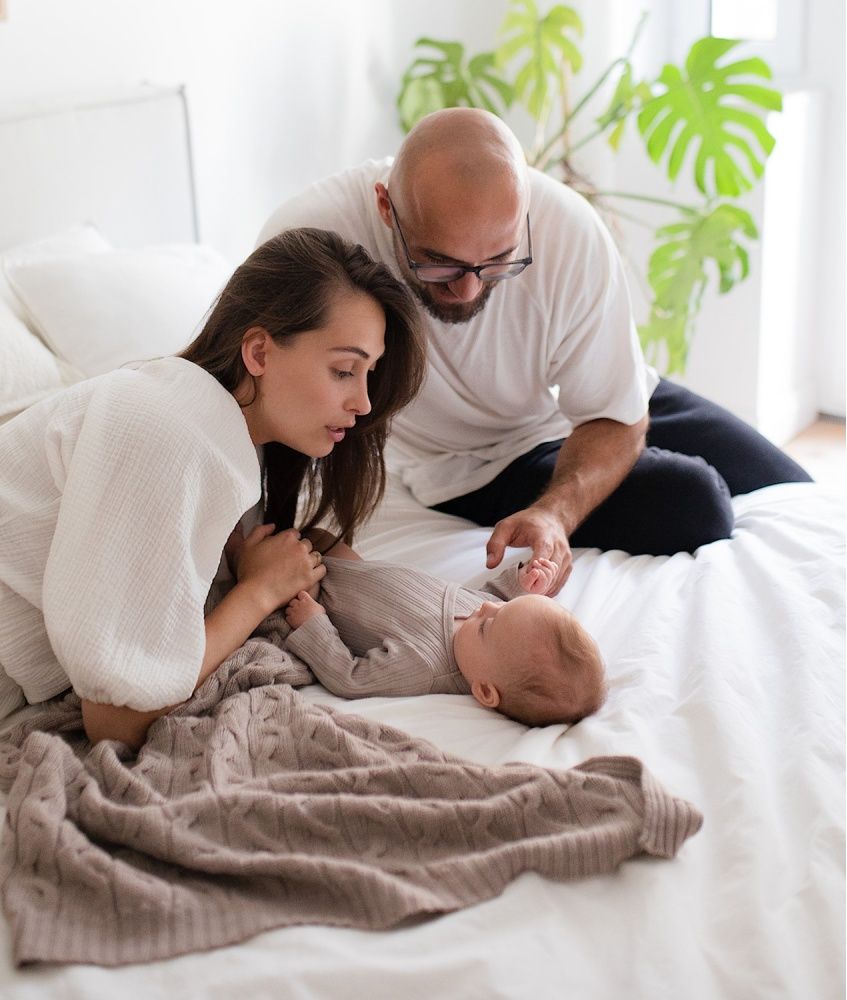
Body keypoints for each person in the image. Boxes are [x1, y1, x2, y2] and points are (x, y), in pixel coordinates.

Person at [258, 108, 812, 596]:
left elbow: (615, 412)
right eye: (439, 264)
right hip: (477, 460)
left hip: (577, 407)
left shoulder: (569, 230)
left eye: (499, 261)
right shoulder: (313, 237)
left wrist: (555, 514)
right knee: (697, 502)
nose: (468, 290)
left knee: (790, 487)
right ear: (385, 207)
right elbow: (256, 392)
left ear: (525, 213)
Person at [0, 228, 426, 748]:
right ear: (259, 353)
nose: (363, 403)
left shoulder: (231, 439)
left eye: (368, 373)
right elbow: (116, 721)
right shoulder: (164, 429)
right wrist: (259, 591)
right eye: (343, 371)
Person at [282, 533, 606, 726]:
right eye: (506, 607)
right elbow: (492, 596)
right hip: (359, 571)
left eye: (488, 625)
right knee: (319, 535)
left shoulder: (423, 666)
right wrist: (521, 584)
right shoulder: (490, 626)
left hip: (325, 596)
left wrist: (313, 623)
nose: (486, 607)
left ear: (485, 691)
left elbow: (350, 677)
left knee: (281, 560)